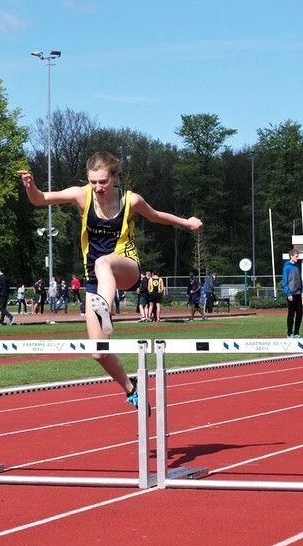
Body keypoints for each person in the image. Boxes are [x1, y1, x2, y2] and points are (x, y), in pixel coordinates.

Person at [19, 152, 202, 410]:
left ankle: (106, 309)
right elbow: (40, 200)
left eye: (103, 182)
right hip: (95, 281)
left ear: (115, 177)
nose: (98, 188)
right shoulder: (81, 195)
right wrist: (31, 186)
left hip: (125, 267)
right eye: (93, 182)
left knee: (103, 261)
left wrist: (187, 223)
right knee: (98, 351)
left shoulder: (131, 200)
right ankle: (131, 388)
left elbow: (156, 216)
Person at [282, 248, 303, 338]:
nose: (297, 258)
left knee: (300, 313)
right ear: (291, 256)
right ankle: (289, 333)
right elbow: (284, 281)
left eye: (298, 256)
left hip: (298, 293)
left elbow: (300, 280)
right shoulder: (287, 267)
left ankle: (296, 332)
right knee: (291, 314)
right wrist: (288, 293)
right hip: (291, 294)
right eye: (296, 256)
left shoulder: (297, 266)